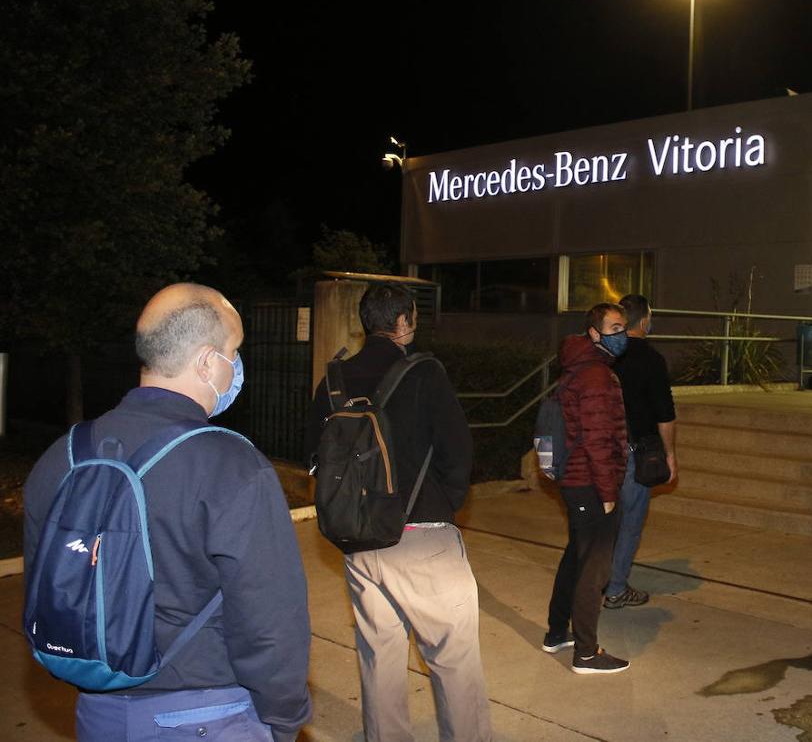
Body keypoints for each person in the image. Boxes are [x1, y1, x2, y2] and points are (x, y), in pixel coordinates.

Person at [23, 283, 312, 741]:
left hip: (98, 715)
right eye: (233, 352)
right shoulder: (231, 465)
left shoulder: (62, 456)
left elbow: (46, 584)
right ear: (206, 362)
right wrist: (284, 717)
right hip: (207, 717)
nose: (236, 367)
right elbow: (270, 619)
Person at [304, 283, 490, 742]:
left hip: (359, 541)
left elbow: (315, 459)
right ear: (404, 322)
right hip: (421, 535)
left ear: (367, 323)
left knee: (379, 655)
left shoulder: (333, 381)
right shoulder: (425, 374)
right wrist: (442, 505)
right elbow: (458, 452)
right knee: (453, 658)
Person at [543, 302, 631, 674]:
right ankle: (586, 652)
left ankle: (556, 633)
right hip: (590, 483)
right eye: (613, 328)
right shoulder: (595, 375)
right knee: (594, 569)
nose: (620, 333)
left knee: (576, 556)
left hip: (577, 482)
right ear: (593, 334)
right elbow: (598, 440)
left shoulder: (580, 369)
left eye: (623, 326)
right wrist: (609, 492)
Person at [603, 294, 677, 610]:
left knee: (603, 523)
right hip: (634, 455)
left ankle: (595, 580)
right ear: (645, 321)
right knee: (630, 523)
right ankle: (616, 588)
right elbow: (665, 414)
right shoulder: (651, 360)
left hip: (601, 452)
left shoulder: (602, 355)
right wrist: (670, 455)